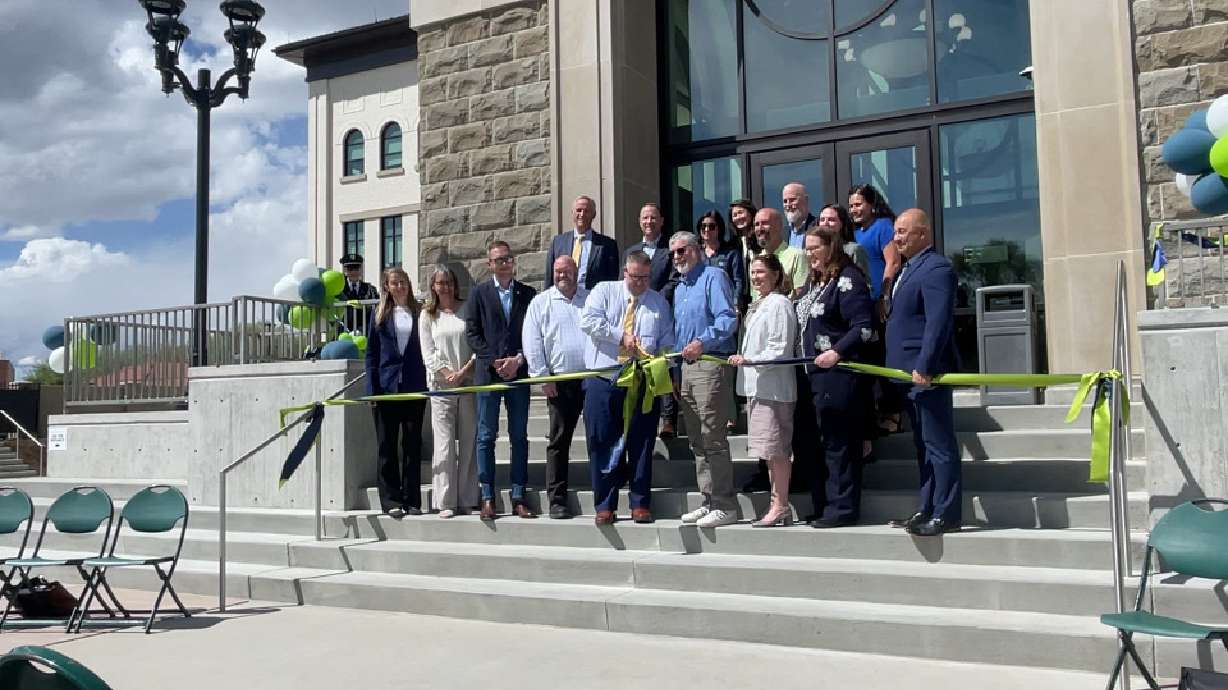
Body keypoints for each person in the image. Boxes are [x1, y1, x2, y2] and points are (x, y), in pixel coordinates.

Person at [579, 251, 674, 525]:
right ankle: (605, 504)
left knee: (642, 442)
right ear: (625, 272)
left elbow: (667, 340)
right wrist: (620, 336)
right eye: (635, 277)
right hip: (604, 379)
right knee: (602, 441)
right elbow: (588, 321)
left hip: (642, 380)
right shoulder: (603, 291)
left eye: (646, 278)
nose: (641, 283)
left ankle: (640, 503)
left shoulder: (658, 303)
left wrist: (663, 358)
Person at [884, 209, 961, 537]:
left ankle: (947, 513)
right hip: (906, 377)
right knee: (923, 446)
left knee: (939, 445)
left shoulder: (936, 268)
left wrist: (926, 365)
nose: (897, 238)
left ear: (923, 234)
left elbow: (937, 322)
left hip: (925, 375)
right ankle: (927, 506)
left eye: (903, 232)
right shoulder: (907, 268)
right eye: (896, 232)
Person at [798, 227, 875, 528]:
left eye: (815, 248)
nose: (809, 254)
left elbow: (863, 327)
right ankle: (823, 504)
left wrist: (837, 352)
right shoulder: (816, 282)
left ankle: (842, 508)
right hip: (812, 377)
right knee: (817, 444)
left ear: (832, 247)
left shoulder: (848, 279)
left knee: (838, 443)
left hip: (838, 376)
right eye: (806, 249)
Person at [464, 240, 538, 521]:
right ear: (489, 264)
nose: (504, 264)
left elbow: (534, 333)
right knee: (486, 437)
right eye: (499, 260)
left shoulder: (527, 294)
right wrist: (494, 360)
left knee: (519, 436)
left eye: (508, 259)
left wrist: (518, 359)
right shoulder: (479, 294)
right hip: (489, 375)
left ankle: (519, 495)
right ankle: (487, 497)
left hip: (518, 375)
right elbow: (472, 333)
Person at [671, 232, 740, 528]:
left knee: (713, 438)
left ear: (697, 250)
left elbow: (727, 318)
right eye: (673, 253)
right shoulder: (679, 288)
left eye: (682, 250)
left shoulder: (713, 276)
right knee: (697, 441)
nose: (677, 257)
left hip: (710, 364)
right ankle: (708, 499)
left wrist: (703, 341)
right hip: (686, 369)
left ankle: (725, 504)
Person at [728, 254, 797, 527]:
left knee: (777, 450)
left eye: (761, 272)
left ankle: (779, 504)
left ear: (776, 275)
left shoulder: (779, 304)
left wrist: (750, 360)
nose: (756, 277)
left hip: (774, 389)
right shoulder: (760, 304)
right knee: (769, 451)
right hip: (759, 388)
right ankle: (777, 504)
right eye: (753, 273)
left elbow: (779, 348)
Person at [522, 256, 589, 520]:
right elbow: (532, 340)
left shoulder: (590, 298)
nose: (563, 276)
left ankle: (607, 493)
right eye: (558, 272)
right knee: (559, 441)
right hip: (559, 382)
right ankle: (557, 499)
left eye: (568, 271)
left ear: (576, 272)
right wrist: (542, 376)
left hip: (591, 379)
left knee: (600, 437)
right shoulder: (541, 303)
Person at [364, 267, 429, 518]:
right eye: (394, 283)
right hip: (386, 387)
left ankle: (412, 500)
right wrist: (371, 390)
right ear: (387, 287)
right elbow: (371, 354)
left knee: (412, 445)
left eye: (403, 282)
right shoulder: (379, 314)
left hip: (414, 386)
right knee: (386, 445)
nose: (400, 286)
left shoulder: (420, 312)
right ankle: (391, 500)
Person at [418, 264, 478, 519]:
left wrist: (464, 372)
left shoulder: (467, 309)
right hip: (441, 387)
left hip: (468, 383)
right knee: (444, 446)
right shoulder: (427, 315)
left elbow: (477, 343)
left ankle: (466, 498)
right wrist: (446, 374)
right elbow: (428, 353)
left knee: (468, 442)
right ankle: (445, 501)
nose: (445, 287)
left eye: (449, 282)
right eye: (440, 283)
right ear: (433, 286)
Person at [545, 195, 620, 291]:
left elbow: (612, 282)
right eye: (578, 210)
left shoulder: (608, 245)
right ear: (572, 212)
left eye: (587, 211)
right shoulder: (558, 242)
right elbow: (549, 277)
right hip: (563, 299)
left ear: (594, 214)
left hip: (593, 300)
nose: (582, 214)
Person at [848, 184, 901, 301]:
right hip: (862, 300)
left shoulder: (883, 226)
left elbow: (893, 262)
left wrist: (884, 296)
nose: (853, 210)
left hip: (880, 301)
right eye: (851, 206)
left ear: (871, 205)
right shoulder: (855, 233)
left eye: (858, 205)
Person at [752, 208, 808, 299]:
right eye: (757, 224)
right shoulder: (755, 262)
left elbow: (801, 295)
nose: (760, 228)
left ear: (779, 226)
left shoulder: (797, 256)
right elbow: (755, 297)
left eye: (765, 223)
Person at [697, 211, 746, 306]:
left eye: (711, 226)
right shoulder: (696, 254)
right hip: (701, 305)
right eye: (703, 226)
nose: (707, 230)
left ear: (719, 229)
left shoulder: (731, 253)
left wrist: (736, 304)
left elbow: (738, 282)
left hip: (725, 304)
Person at [624, 202, 672, 292]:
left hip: (659, 304)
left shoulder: (671, 250)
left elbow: (673, 281)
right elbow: (623, 281)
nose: (649, 221)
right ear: (639, 221)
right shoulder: (629, 252)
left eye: (653, 218)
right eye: (645, 218)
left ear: (661, 221)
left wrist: (655, 300)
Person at [817, 204, 870, 278]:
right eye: (822, 220)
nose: (825, 223)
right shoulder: (815, 249)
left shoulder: (853, 250)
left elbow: (864, 282)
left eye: (831, 220)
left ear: (841, 223)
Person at [339, 253, 380, 333]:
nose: (354, 272)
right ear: (345, 270)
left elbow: (376, 312)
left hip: (364, 333)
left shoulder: (370, 290)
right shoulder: (339, 289)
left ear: (361, 269)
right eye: (350, 269)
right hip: (342, 333)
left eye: (356, 268)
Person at [782, 182, 817, 249]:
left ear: (806, 200)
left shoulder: (817, 226)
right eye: (785, 201)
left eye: (792, 200)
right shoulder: (781, 234)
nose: (788, 205)